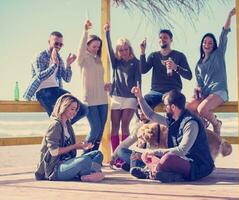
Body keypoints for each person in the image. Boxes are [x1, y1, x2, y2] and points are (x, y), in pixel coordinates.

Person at [130, 84, 214, 183]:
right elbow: (150, 115)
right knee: (146, 155)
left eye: (166, 105)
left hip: (197, 165)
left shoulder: (190, 123)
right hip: (181, 159)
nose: (164, 108)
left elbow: (182, 150)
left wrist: (156, 152)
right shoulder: (173, 120)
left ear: (173, 107)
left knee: (167, 158)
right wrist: (139, 97)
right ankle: (163, 174)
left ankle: (151, 173)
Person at [186, 8, 236, 136]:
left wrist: (229, 15)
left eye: (210, 42)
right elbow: (200, 84)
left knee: (202, 109)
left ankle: (216, 124)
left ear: (214, 45)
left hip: (219, 91)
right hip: (206, 94)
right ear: (202, 44)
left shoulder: (218, 54)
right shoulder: (198, 64)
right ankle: (201, 125)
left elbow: (224, 34)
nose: (207, 44)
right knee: (188, 107)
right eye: (205, 42)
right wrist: (197, 89)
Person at [35, 94, 105, 182]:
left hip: (68, 162)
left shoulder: (67, 124)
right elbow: (54, 152)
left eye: (76, 109)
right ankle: (89, 174)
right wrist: (75, 146)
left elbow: (69, 147)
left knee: (97, 154)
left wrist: (81, 146)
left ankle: (89, 173)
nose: (74, 112)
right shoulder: (55, 125)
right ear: (63, 107)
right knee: (85, 160)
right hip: (55, 169)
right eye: (72, 109)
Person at [23, 31, 88, 124]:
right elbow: (40, 76)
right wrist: (54, 65)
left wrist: (68, 64)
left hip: (56, 90)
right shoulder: (40, 56)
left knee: (83, 109)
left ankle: (62, 126)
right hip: (43, 92)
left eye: (61, 44)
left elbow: (67, 78)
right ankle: (59, 128)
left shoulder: (59, 58)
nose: (58, 46)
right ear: (49, 41)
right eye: (56, 43)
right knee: (57, 118)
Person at [104, 22, 141, 154]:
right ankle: (116, 156)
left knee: (125, 125)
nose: (124, 52)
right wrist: (107, 33)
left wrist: (139, 98)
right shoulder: (116, 63)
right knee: (115, 126)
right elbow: (108, 50)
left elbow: (138, 81)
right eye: (121, 50)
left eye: (126, 49)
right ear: (118, 51)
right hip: (116, 97)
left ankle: (123, 154)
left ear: (130, 49)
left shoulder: (136, 62)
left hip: (130, 98)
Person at [140, 29, 192, 109]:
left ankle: (173, 121)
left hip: (173, 91)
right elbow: (143, 70)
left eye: (165, 37)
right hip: (155, 92)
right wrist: (142, 52)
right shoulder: (154, 56)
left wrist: (176, 67)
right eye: (160, 37)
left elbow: (189, 76)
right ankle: (152, 121)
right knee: (142, 104)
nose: (162, 39)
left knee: (171, 106)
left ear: (171, 40)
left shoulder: (179, 55)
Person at [77, 20, 108, 152]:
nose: (96, 49)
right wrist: (85, 31)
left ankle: (94, 157)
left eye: (98, 47)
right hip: (90, 100)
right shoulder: (83, 58)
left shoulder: (98, 60)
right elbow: (80, 47)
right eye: (94, 46)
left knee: (100, 131)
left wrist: (106, 85)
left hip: (103, 99)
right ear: (87, 46)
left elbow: (98, 79)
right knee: (95, 129)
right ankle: (85, 155)